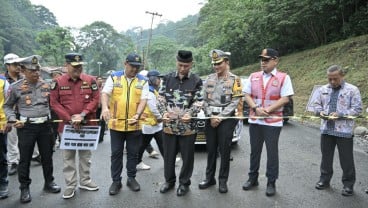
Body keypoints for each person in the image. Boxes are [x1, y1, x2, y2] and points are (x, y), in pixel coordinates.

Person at [4, 55, 61, 203]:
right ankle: (24, 188)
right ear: (23, 70)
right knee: (25, 159)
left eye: (38, 70)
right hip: (26, 127)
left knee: (47, 157)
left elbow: (54, 104)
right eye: (32, 70)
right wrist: (11, 119)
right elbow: (7, 106)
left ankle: (49, 182)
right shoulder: (15, 87)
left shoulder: (47, 85)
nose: (36, 73)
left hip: (45, 126)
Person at [242, 48, 294, 196]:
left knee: (272, 153)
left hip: (273, 121)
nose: (263, 63)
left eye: (266, 60)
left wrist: (269, 109)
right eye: (261, 60)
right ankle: (253, 178)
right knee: (254, 151)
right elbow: (247, 94)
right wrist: (255, 108)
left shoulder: (284, 77)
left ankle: (271, 182)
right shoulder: (253, 76)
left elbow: (285, 98)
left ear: (275, 60)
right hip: (256, 120)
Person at [50, 53, 100, 199]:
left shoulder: (90, 80)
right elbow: (54, 103)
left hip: (87, 124)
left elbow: (95, 99)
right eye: (75, 66)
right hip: (67, 126)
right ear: (66, 65)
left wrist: (83, 114)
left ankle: (85, 181)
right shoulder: (58, 82)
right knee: (68, 157)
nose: (78, 68)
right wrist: (70, 118)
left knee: (85, 156)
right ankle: (70, 185)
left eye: (80, 66)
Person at [101, 53, 148, 195]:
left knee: (133, 153)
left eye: (137, 67)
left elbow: (144, 100)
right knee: (116, 153)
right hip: (116, 125)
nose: (134, 70)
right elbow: (105, 93)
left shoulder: (143, 80)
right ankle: (116, 181)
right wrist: (104, 108)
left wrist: (138, 115)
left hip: (134, 124)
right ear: (125, 63)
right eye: (132, 66)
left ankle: (131, 178)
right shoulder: (114, 77)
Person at [157, 50, 203, 197]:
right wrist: (163, 112)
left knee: (187, 157)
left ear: (191, 64)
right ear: (176, 62)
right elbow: (161, 98)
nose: (183, 68)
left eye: (186, 65)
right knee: (169, 156)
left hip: (188, 127)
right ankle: (169, 181)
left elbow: (199, 100)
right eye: (180, 65)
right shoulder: (167, 78)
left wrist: (191, 113)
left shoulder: (196, 80)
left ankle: (184, 183)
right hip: (169, 126)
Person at [313, 65, 362, 196]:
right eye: (330, 79)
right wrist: (320, 112)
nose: (333, 82)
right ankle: (324, 180)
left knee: (346, 159)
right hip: (326, 130)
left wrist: (341, 114)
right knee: (326, 157)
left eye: (335, 79)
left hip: (344, 131)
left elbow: (357, 110)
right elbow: (315, 105)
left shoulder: (353, 90)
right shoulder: (322, 89)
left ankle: (348, 185)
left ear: (342, 76)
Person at [198, 49, 243, 193]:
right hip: (210, 118)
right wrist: (211, 116)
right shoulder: (209, 79)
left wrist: (221, 117)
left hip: (226, 119)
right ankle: (209, 178)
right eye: (214, 64)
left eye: (219, 63)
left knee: (224, 151)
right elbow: (204, 100)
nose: (216, 66)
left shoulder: (235, 79)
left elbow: (236, 100)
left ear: (226, 62)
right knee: (211, 150)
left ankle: (223, 181)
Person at [3, 53, 41, 176]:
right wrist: (9, 118)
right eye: (14, 64)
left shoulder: (25, 77)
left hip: (27, 112)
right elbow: (5, 102)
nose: (18, 67)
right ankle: (14, 162)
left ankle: (35, 155)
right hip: (12, 114)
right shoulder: (3, 80)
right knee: (12, 139)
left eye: (19, 64)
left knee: (30, 137)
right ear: (7, 65)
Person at [137, 70, 164, 170]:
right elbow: (153, 107)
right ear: (152, 79)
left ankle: (169, 160)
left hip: (154, 124)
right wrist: (160, 118)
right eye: (158, 78)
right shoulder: (149, 91)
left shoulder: (153, 90)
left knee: (162, 143)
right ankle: (137, 162)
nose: (160, 80)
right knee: (142, 145)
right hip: (148, 123)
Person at [0, 74, 11, 199]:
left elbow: (9, 103)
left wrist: (8, 120)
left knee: (1, 156)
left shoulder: (3, 82)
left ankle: (2, 183)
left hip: (1, 125)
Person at [95, 76, 106, 143]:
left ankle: (101, 137)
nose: (100, 81)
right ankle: (95, 137)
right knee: (95, 122)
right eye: (98, 79)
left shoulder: (105, 89)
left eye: (101, 79)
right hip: (96, 108)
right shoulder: (94, 88)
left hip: (103, 108)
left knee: (102, 122)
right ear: (96, 81)